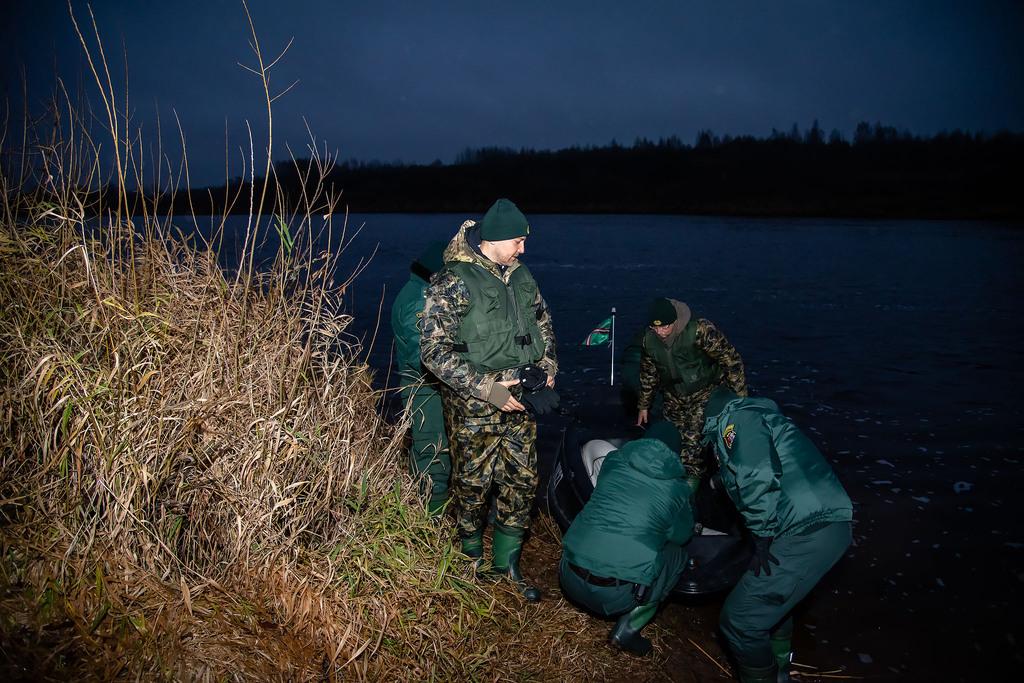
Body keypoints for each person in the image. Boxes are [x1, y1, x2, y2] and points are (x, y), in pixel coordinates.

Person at [420, 198, 558, 602]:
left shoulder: (522, 275)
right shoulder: (452, 280)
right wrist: (489, 390)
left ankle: (507, 567)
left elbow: (544, 324)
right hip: (474, 407)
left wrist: (547, 367)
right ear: (495, 239)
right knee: (472, 485)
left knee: (522, 482)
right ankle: (470, 564)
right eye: (517, 241)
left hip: (523, 403)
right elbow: (432, 351)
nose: (523, 249)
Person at [701, 385, 854, 683]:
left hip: (808, 530)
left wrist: (760, 533)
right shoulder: (757, 417)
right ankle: (782, 671)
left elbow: (757, 472)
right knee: (773, 609)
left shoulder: (735, 419)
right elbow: (755, 468)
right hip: (825, 526)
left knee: (740, 622)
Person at [559, 421, 694, 656]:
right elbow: (682, 536)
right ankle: (629, 628)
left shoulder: (613, 462)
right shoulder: (678, 489)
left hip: (568, 577)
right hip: (615, 597)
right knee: (677, 554)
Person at [636, 297, 747, 490]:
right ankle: (670, 482)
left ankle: (689, 496)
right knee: (672, 442)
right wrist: (644, 405)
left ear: (674, 321)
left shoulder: (699, 330)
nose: (661, 333)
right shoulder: (649, 341)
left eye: (665, 327)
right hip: (673, 397)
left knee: (692, 448)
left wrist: (740, 400)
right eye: (656, 328)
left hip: (704, 393)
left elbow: (731, 360)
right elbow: (649, 373)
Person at [390, 240, 451, 516]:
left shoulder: (425, 294)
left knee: (441, 459)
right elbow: (424, 358)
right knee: (432, 461)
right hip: (425, 397)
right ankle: (429, 528)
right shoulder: (418, 301)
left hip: (436, 392)